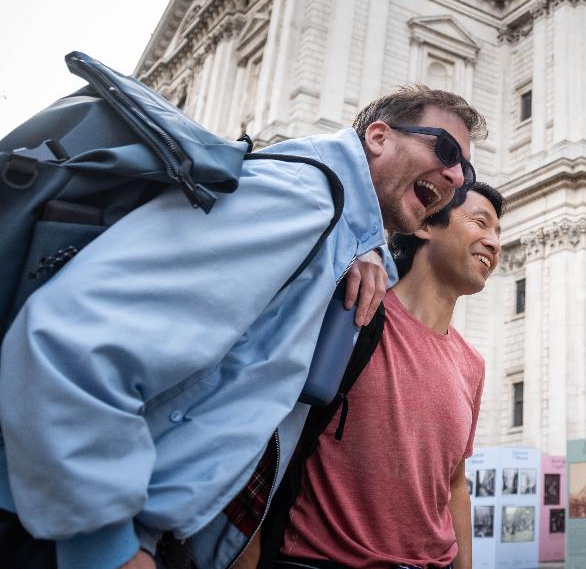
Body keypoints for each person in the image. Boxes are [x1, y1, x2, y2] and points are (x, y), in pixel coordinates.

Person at [0, 85, 484, 569]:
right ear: (378, 137)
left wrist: (364, 246)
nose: (455, 175)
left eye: (465, 174)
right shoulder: (300, 201)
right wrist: (108, 547)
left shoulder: (331, 220)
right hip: (73, 532)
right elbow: (73, 342)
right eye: (444, 149)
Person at [267, 183, 502, 569]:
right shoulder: (352, 315)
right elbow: (271, 433)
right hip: (321, 561)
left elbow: (456, 483)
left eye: (498, 233)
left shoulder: (472, 363)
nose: (493, 243)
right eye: (481, 223)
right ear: (426, 224)